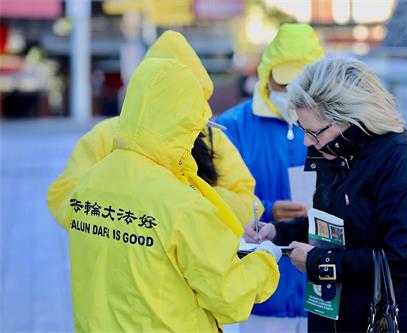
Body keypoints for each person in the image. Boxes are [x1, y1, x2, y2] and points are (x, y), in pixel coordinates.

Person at [65, 57, 281, 332]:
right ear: (185, 125)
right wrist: (265, 260)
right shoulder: (182, 204)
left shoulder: (90, 181)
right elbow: (229, 296)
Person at [250, 57, 407, 332]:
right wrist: (278, 232)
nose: (307, 142)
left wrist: (318, 263)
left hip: (398, 317)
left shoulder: (402, 160)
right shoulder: (335, 150)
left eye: (315, 132)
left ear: (351, 118)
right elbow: (332, 225)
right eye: (303, 129)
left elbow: (401, 256)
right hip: (338, 313)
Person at [47, 31, 262, 228]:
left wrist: (193, 197)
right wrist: (134, 206)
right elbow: (64, 198)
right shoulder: (106, 135)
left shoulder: (210, 136)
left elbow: (248, 204)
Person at [217, 23, 324, 332]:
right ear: (266, 74)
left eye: (302, 83)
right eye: (284, 81)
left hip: (323, 291)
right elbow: (214, 197)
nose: (292, 93)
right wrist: (265, 209)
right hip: (260, 298)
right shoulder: (231, 128)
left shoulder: (337, 129)